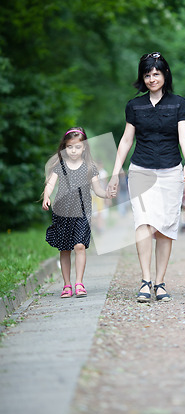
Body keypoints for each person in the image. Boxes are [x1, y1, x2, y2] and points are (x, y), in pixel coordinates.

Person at [106, 52, 185, 302]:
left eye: (156, 74)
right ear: (142, 78)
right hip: (141, 169)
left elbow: (183, 135)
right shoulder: (135, 106)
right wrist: (115, 172)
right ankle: (145, 281)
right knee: (143, 223)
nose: (152, 78)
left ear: (165, 75)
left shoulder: (179, 103)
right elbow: (126, 140)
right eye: (147, 74)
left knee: (165, 227)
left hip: (170, 171)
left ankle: (160, 283)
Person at [42, 127, 108, 298]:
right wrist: (46, 196)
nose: (73, 150)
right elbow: (50, 183)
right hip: (62, 212)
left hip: (82, 212)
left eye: (77, 147)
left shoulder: (89, 167)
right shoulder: (60, 166)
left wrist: (107, 193)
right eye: (70, 146)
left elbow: (98, 189)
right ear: (64, 147)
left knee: (79, 246)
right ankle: (66, 285)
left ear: (84, 147)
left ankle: (79, 283)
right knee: (64, 249)